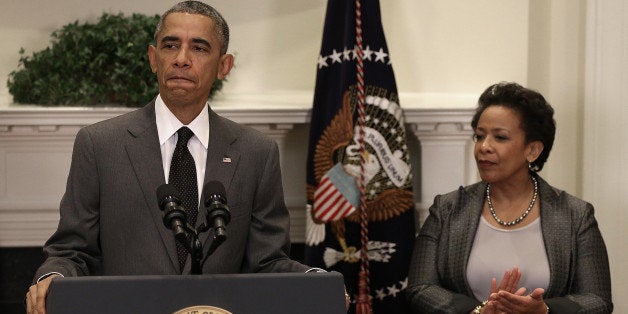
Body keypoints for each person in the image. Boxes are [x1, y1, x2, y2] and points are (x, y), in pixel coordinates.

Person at [25, 2, 339, 313]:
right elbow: (72, 249)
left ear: (223, 66)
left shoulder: (256, 153)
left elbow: (267, 261)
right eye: (170, 45)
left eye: (199, 48)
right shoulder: (99, 145)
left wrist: (316, 283)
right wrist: (54, 277)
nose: (181, 59)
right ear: (153, 57)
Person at [406, 82, 613, 313]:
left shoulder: (575, 215)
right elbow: (420, 288)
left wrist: (544, 311)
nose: (484, 147)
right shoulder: (447, 209)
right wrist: (477, 312)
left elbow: (597, 300)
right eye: (479, 136)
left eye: (500, 137)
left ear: (532, 150)